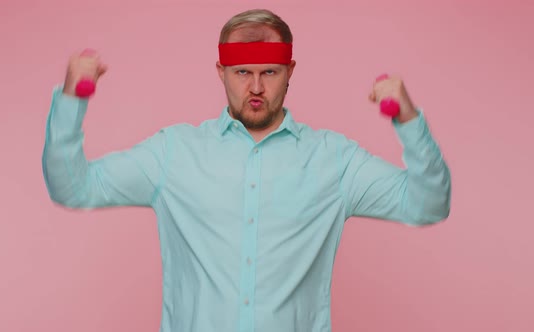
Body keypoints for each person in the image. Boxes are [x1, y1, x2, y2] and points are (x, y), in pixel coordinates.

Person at [42, 8, 451, 332]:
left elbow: (427, 205)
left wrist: (409, 119)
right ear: (222, 73)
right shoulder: (174, 153)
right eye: (242, 73)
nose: (255, 88)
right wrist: (70, 99)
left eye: (269, 72)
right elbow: (74, 189)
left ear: (290, 72)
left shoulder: (333, 161)